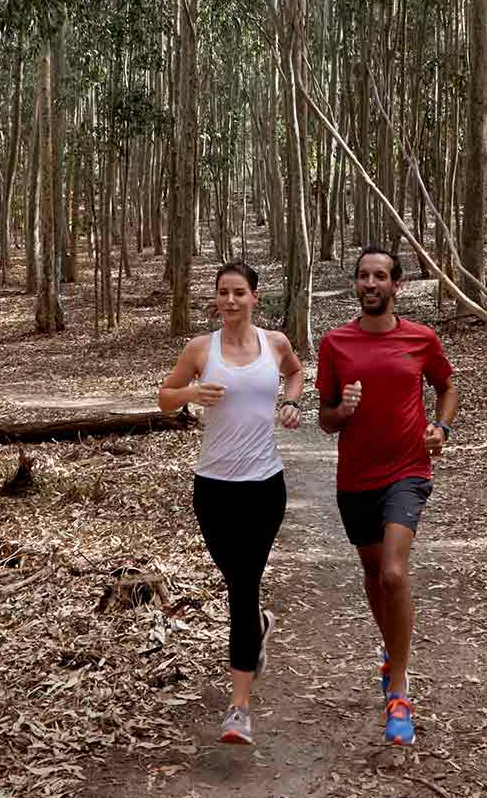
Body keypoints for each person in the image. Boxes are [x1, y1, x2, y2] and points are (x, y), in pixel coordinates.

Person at [157, 261, 306, 745]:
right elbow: (164, 398)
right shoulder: (201, 349)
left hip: (265, 485)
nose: (230, 300)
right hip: (213, 488)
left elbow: (297, 372)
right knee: (238, 582)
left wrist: (292, 402)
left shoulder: (275, 343)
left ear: (254, 298)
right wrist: (192, 392)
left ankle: (239, 709)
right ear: (216, 298)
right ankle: (258, 626)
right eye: (223, 292)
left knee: (242, 585)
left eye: (239, 292)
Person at [315, 245, 458, 746]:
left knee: (395, 572)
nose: (370, 283)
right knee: (374, 574)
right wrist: (343, 412)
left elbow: (446, 386)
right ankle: (390, 651)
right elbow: (324, 417)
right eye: (363, 276)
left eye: (380, 276)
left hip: (408, 471)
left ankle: (398, 688)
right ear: (356, 285)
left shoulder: (421, 339)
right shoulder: (336, 343)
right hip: (355, 478)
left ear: (396, 285)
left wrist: (440, 426)